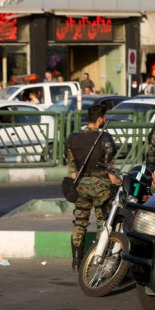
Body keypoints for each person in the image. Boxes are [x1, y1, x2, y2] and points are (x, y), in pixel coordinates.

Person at [64, 105, 119, 272]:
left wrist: (79, 185)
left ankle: (76, 260)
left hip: (81, 185)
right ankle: (96, 257)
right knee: (102, 222)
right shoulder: (104, 138)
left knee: (80, 223)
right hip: (101, 186)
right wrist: (116, 183)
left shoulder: (73, 139)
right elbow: (110, 166)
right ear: (101, 119)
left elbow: (72, 168)